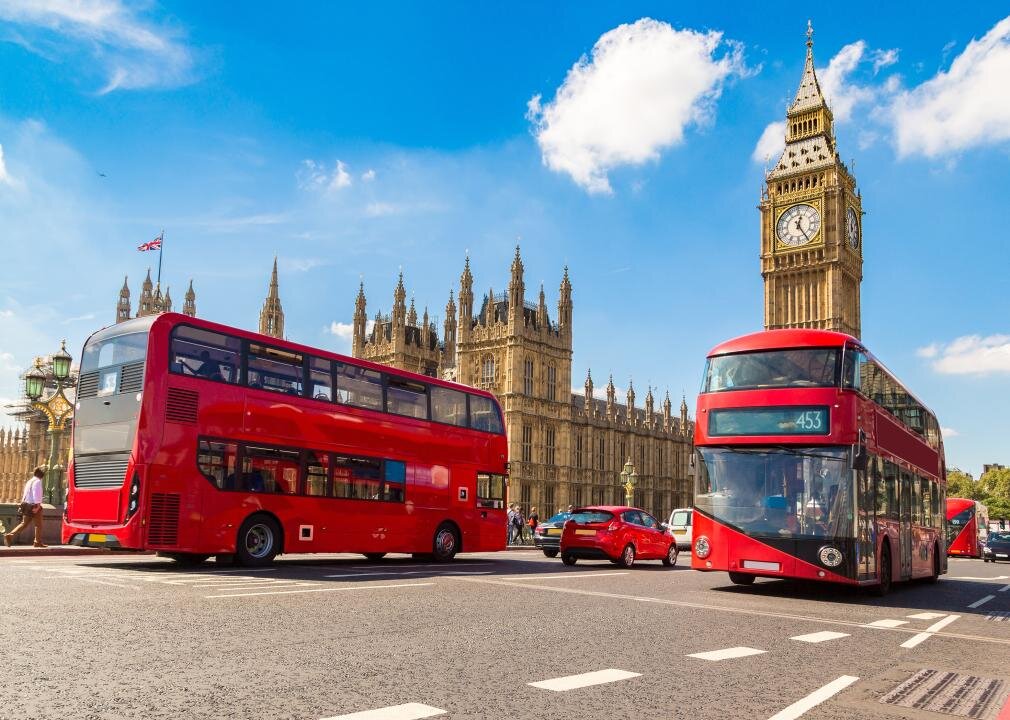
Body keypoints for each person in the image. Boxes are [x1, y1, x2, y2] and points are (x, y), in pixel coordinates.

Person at [4, 467, 47, 548]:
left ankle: (10, 535)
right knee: (38, 525)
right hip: (34, 506)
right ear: (41, 475)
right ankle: (37, 542)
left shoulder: (29, 481)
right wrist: (37, 506)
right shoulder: (37, 481)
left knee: (24, 524)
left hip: (26, 504)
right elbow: (36, 494)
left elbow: (25, 493)